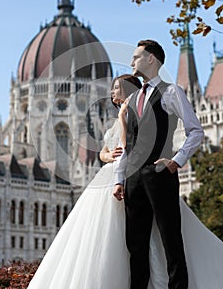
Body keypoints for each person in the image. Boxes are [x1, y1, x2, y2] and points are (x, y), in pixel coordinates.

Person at [27, 74, 141, 289]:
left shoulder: (131, 116)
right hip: (104, 173)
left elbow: (126, 148)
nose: (112, 92)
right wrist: (107, 156)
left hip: (119, 176)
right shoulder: (115, 118)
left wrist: (123, 123)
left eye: (116, 88)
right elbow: (105, 153)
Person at [113, 39, 204, 289]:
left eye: (136, 57)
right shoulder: (131, 101)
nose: (131, 62)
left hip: (160, 174)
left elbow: (196, 131)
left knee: (171, 241)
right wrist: (119, 179)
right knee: (136, 245)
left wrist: (176, 162)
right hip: (133, 180)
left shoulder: (171, 91)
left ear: (151, 59)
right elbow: (127, 144)